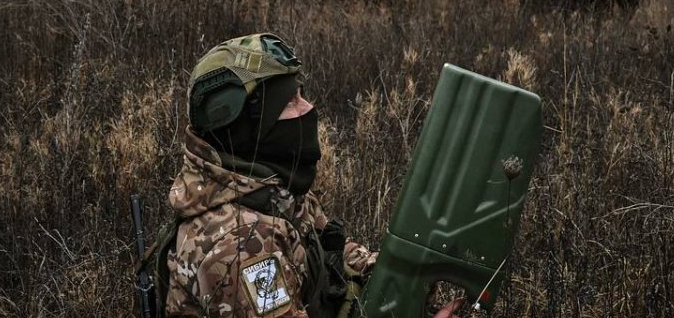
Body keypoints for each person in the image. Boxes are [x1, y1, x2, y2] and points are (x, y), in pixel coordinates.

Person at [164, 33, 461, 318]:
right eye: (290, 101)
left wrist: (405, 275)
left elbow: (333, 253)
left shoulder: (270, 192)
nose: (308, 108)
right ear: (249, 128)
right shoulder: (240, 247)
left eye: (302, 94)